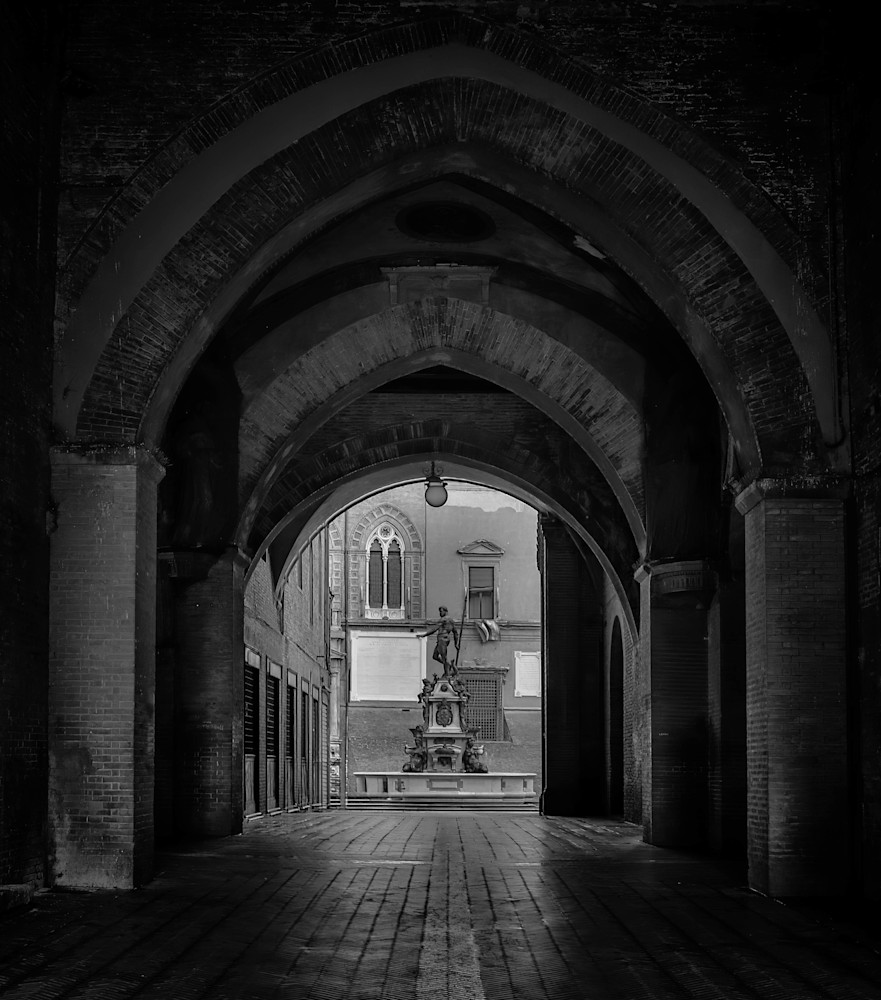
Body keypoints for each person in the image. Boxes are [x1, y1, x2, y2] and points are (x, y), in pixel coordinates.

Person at [419, 606, 459, 676]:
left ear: (445, 611)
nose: (440, 613)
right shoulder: (451, 620)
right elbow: (455, 633)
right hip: (445, 639)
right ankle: (448, 665)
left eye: (441, 611)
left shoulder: (443, 619)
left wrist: (424, 635)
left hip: (442, 639)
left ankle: (447, 673)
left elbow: (434, 629)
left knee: (444, 657)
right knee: (435, 656)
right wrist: (456, 644)